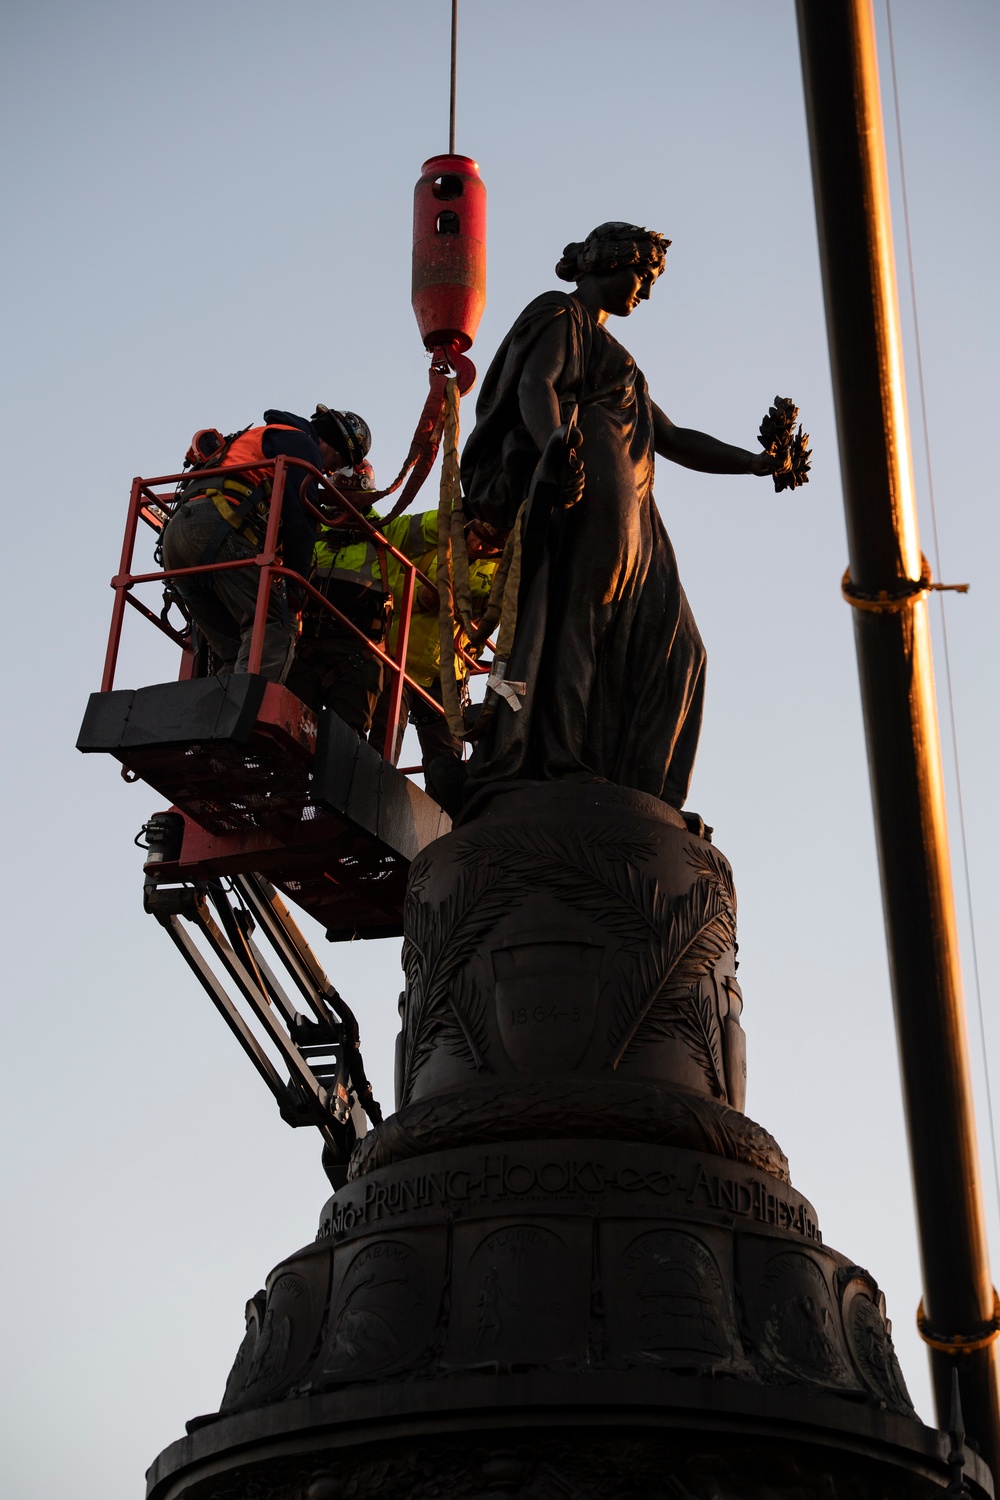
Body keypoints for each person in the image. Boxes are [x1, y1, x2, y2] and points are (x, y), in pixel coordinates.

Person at [459, 221, 777, 813]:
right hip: (587, 491)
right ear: (607, 262)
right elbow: (537, 384)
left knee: (681, 649)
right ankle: (561, 759)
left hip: (636, 508)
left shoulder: (622, 361)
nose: (646, 292)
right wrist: (556, 445)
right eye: (642, 274)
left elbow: (675, 438)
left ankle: (646, 794)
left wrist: (756, 463)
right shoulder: (560, 315)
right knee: (580, 623)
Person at [161, 407, 358, 682]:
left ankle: (217, 717)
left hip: (179, 538)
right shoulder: (303, 445)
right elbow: (300, 519)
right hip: (218, 528)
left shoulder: (262, 437)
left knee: (237, 648)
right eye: (339, 463)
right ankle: (245, 718)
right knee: (273, 629)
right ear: (330, 443)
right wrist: (296, 586)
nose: (329, 471)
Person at [369, 516, 503, 768]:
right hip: (401, 661)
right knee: (383, 740)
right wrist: (421, 597)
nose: (483, 547)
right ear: (471, 526)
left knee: (446, 760)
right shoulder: (435, 549)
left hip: (448, 677)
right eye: (480, 538)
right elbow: (390, 585)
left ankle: (442, 805)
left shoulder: (501, 574)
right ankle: (374, 790)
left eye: (492, 545)